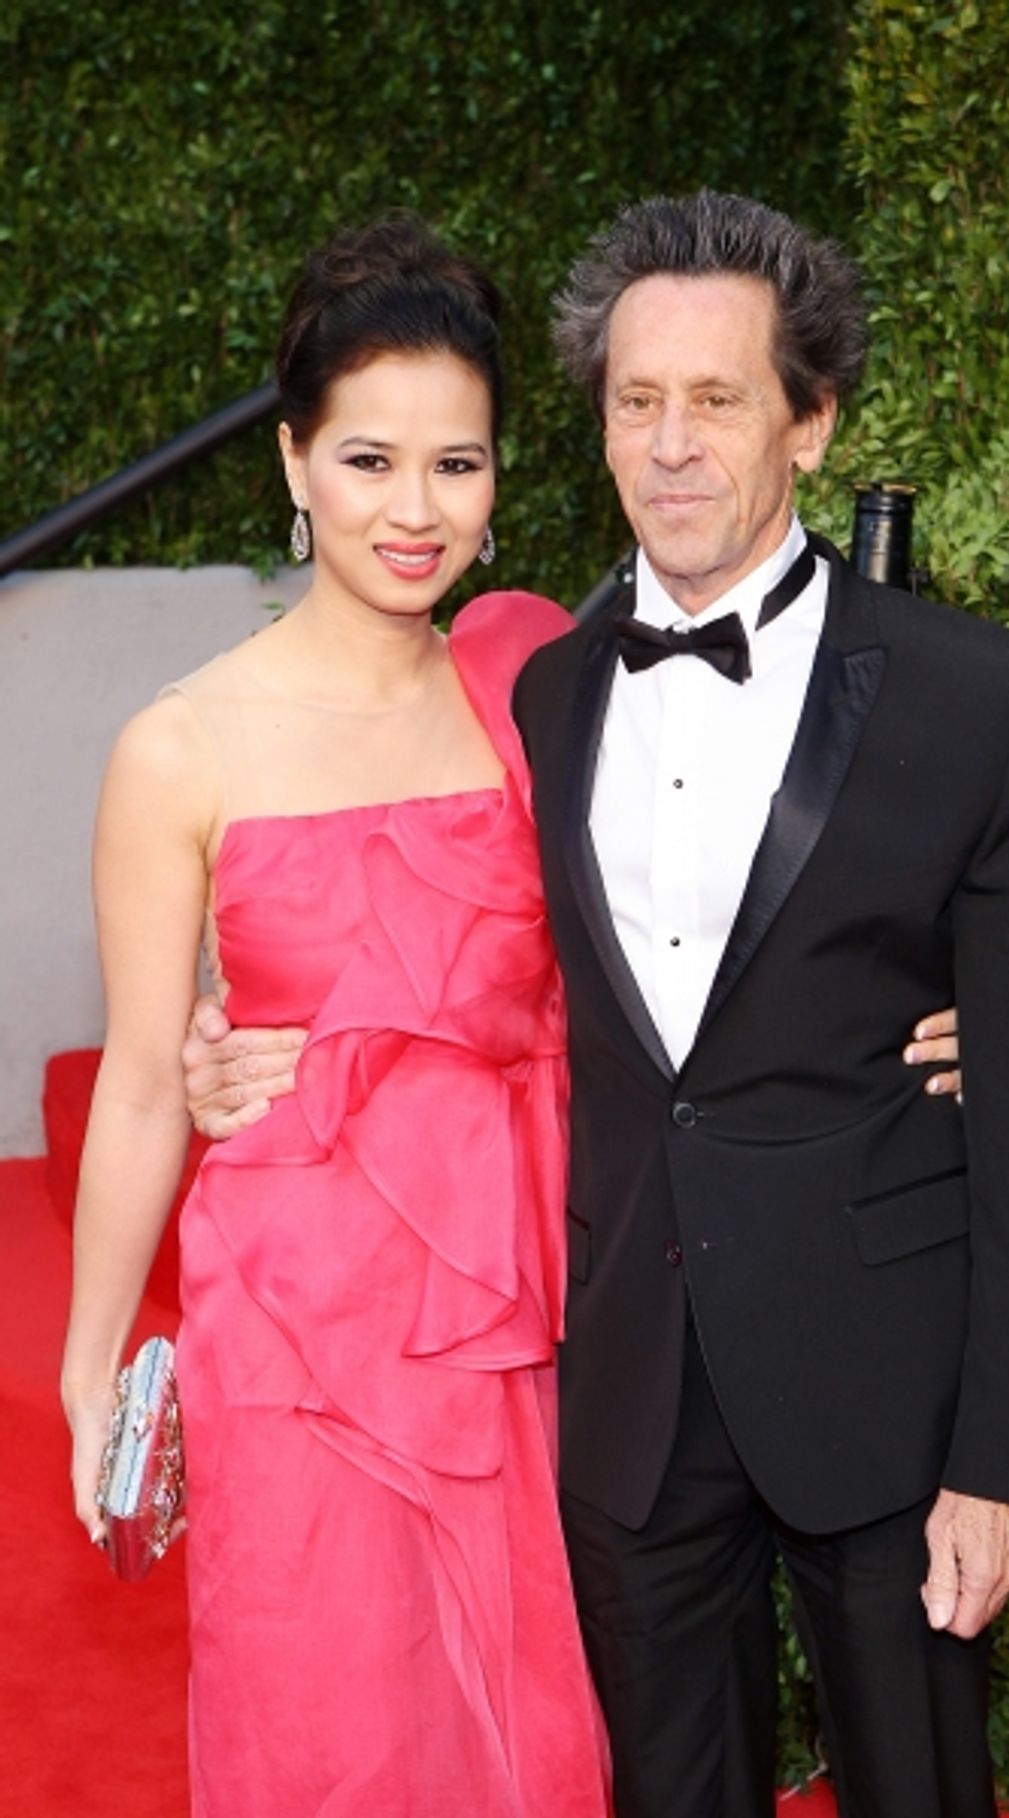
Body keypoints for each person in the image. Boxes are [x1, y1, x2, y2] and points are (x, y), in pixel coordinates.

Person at [177, 197, 987, 1817]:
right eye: (636, 403)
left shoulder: (559, 666)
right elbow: (430, 931)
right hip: (604, 1331)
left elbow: (899, 899)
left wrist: (979, 1013)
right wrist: (232, 1025)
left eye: (718, 401)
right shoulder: (541, 683)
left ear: (809, 423)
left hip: (845, 1344)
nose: (672, 443)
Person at [60, 215, 612, 1818]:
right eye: (370, 460)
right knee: (326, 1726)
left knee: (517, 1725)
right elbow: (154, 1086)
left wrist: (909, 1015)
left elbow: (662, 950)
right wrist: (95, 1358)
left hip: (511, 1302)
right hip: (291, 1325)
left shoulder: (534, 684)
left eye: (460, 463)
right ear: (294, 459)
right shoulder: (181, 747)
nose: (415, 509)